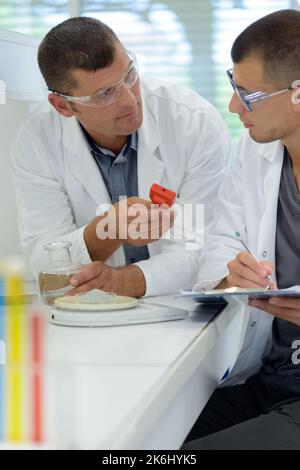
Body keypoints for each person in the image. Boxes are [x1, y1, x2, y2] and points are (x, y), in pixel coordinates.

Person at [11, 16, 230, 298]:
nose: (129, 100)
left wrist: (120, 282)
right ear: (63, 106)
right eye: (105, 94)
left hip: (182, 309)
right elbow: (46, 265)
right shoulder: (38, 141)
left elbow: (200, 249)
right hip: (90, 316)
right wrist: (108, 229)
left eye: (129, 74)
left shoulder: (193, 122)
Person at [183, 9, 300, 450]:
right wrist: (231, 275)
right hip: (267, 377)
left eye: (247, 95)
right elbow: (220, 243)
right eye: (234, 86)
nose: (233, 107)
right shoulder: (255, 153)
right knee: (142, 440)